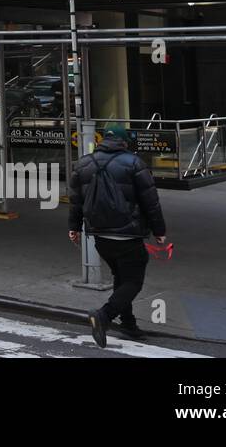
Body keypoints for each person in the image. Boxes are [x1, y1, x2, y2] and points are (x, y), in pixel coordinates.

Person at [68, 124, 168, 346]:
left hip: (100, 236)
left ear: (103, 140)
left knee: (121, 277)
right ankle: (104, 315)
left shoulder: (84, 163)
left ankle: (129, 324)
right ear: (124, 142)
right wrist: (159, 231)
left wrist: (73, 228)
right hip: (129, 234)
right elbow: (151, 202)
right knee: (133, 280)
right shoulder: (134, 163)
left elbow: (76, 201)